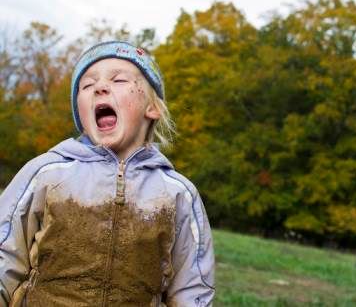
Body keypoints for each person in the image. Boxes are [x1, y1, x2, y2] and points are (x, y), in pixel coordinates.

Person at [0, 41, 215, 306]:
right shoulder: (47, 173)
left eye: (119, 80)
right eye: (87, 85)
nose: (100, 87)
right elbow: (5, 253)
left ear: (152, 108)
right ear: (80, 112)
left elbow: (192, 289)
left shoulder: (177, 193)